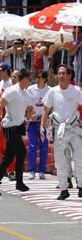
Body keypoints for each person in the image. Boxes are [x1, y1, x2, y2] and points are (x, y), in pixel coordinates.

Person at [0, 69, 34, 196]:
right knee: (21, 151)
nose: (29, 81)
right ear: (24, 79)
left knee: (9, 156)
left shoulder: (26, 94)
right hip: (9, 126)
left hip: (18, 126)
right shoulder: (12, 91)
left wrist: (33, 115)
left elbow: (30, 109)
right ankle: (19, 182)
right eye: (29, 79)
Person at [42, 64, 82, 200]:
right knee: (60, 162)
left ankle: (81, 186)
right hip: (59, 130)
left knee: (79, 159)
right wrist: (42, 127)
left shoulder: (76, 91)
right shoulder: (52, 92)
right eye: (59, 73)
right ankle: (64, 189)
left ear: (69, 75)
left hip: (74, 129)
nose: (61, 76)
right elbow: (46, 110)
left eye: (64, 73)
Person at [26, 69, 50, 180]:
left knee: (44, 146)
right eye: (37, 77)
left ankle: (42, 170)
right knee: (32, 146)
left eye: (40, 77)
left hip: (44, 121)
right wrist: (30, 115)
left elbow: (52, 106)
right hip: (33, 120)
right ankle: (32, 170)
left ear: (45, 79)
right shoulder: (30, 89)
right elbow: (26, 103)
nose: (38, 80)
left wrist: (48, 118)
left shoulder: (49, 90)